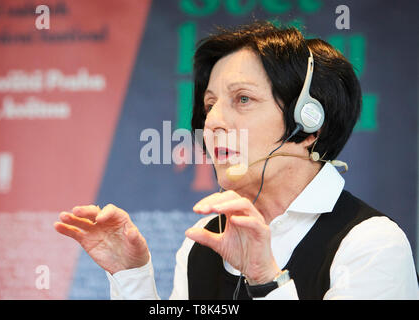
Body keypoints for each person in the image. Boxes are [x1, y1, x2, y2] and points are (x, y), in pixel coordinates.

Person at [54, 21, 418, 300]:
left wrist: (266, 280)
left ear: (309, 125)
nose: (212, 122)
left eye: (242, 99)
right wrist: (130, 275)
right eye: (210, 105)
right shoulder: (203, 244)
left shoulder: (372, 243)